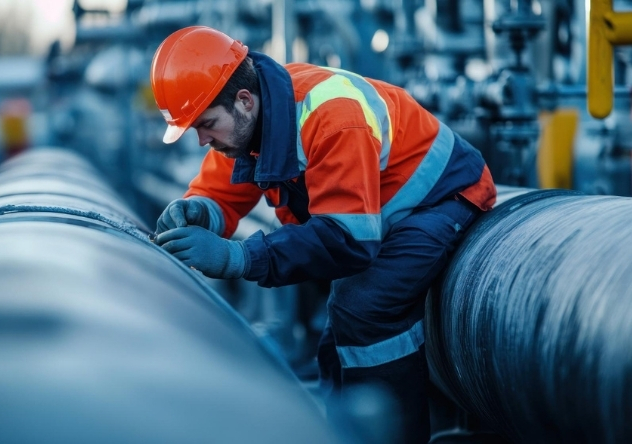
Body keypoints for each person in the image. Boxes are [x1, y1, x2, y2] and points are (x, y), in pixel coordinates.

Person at [150, 26, 496, 443]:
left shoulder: (332, 116)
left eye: (206, 125)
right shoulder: (253, 122)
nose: (203, 139)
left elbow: (347, 240)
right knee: (338, 332)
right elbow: (219, 191)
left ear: (244, 100)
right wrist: (198, 210)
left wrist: (236, 258)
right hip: (383, 210)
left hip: (441, 198)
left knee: (364, 306)